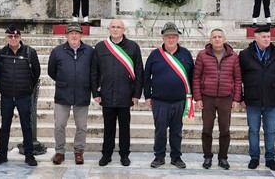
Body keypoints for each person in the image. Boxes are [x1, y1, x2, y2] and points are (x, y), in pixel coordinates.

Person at [91, 19, 144, 167]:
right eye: (113, 27)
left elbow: (139, 71)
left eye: (118, 27)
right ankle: (106, 155)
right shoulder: (101, 47)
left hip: (126, 94)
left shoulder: (133, 47)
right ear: (109, 29)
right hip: (106, 94)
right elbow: (94, 71)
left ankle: (124, 155)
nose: (115, 29)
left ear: (123, 30)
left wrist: (136, 94)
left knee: (124, 128)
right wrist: (95, 92)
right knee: (108, 127)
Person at [144, 22, 194, 169]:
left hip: (180, 101)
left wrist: (192, 98)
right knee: (160, 131)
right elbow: (146, 77)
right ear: (163, 38)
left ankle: (176, 157)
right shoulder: (155, 54)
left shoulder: (186, 54)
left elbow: (192, 76)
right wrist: (147, 96)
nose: (171, 39)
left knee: (177, 131)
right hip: (159, 101)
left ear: (178, 38)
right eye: (168, 37)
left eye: (173, 37)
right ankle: (159, 157)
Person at [238, 25, 275, 171]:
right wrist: (240, 98)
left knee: (270, 131)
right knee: (253, 130)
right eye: (264, 37)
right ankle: (254, 158)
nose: (267, 39)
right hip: (252, 100)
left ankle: (270, 159)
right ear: (256, 37)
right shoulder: (245, 54)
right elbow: (238, 78)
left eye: (269, 37)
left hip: (272, 100)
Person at [192, 28, 242, 170]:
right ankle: (207, 157)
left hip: (226, 98)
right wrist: (198, 98)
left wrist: (236, 99)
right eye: (214, 37)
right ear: (210, 40)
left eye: (220, 36)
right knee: (207, 129)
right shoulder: (202, 55)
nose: (217, 39)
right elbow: (196, 77)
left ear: (224, 39)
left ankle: (223, 158)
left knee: (225, 130)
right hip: (207, 97)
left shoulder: (233, 56)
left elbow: (238, 79)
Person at [0, 24, 41, 166]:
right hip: (7, 96)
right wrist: (6, 86)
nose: (13, 39)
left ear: (20, 37)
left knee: (27, 126)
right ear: (6, 38)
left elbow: (36, 73)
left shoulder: (29, 52)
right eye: (10, 36)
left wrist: (27, 87)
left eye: (16, 36)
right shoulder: (0, 53)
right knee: (5, 126)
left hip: (24, 96)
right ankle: (2, 155)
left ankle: (29, 155)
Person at [48, 22, 94, 165]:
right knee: (59, 125)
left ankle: (79, 151)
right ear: (66, 35)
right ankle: (60, 152)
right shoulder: (57, 51)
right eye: (71, 33)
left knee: (81, 126)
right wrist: (64, 81)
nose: (74, 35)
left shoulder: (90, 51)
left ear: (81, 35)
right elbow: (52, 71)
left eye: (77, 33)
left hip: (82, 92)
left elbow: (94, 71)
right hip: (63, 93)